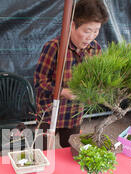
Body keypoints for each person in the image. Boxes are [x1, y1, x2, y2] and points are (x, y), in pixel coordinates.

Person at [33, 0, 109, 149]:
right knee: (41, 152)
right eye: (87, 31)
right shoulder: (54, 47)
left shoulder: (95, 49)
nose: (91, 36)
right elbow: (39, 80)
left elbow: (96, 80)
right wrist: (62, 91)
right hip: (49, 113)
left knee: (71, 151)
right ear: (72, 25)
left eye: (96, 31)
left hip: (74, 114)